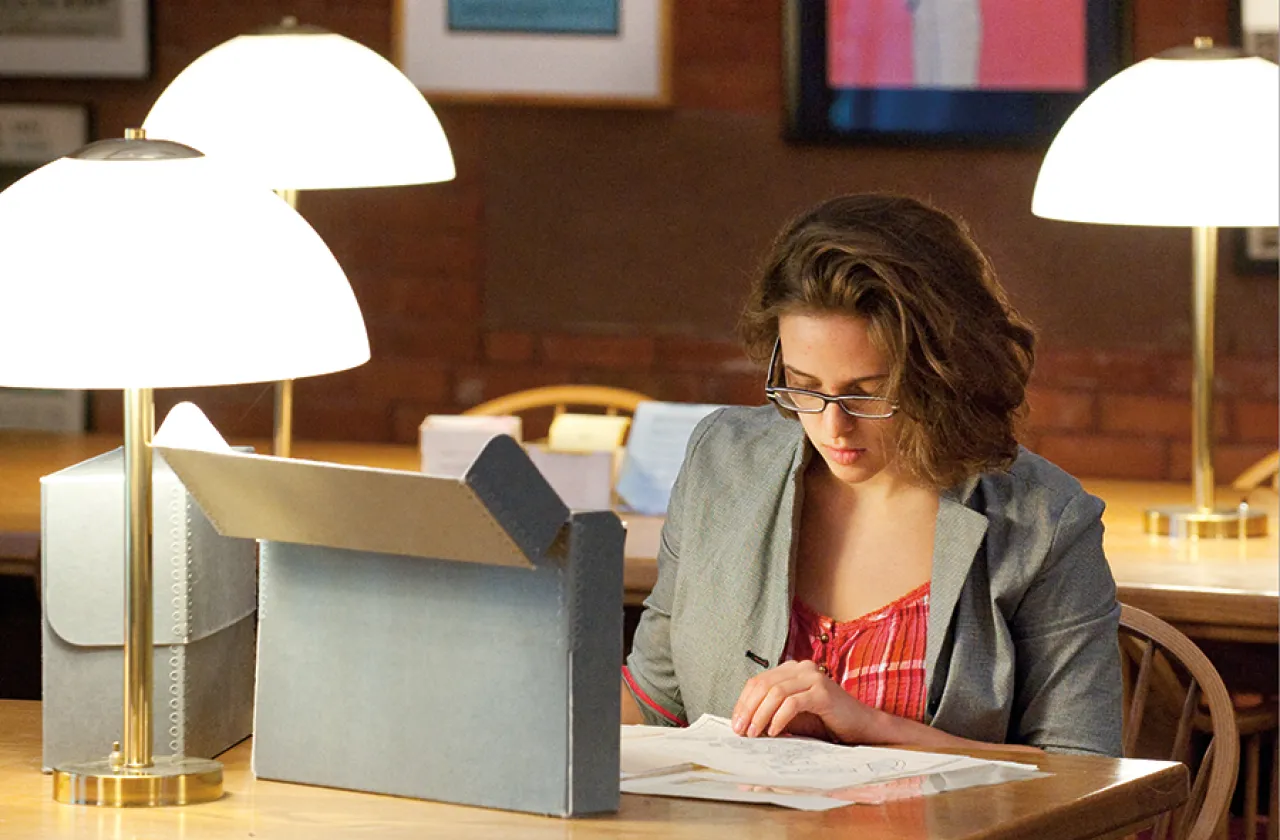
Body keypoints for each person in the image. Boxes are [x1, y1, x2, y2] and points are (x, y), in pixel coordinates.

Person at [620, 193, 1122, 756]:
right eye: (804, 384)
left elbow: (1086, 777)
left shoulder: (1043, 522)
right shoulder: (723, 462)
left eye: (868, 393)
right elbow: (654, 702)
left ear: (941, 373)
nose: (832, 426)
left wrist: (876, 729)